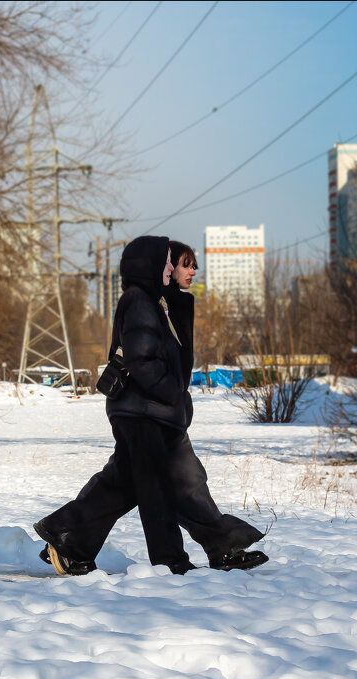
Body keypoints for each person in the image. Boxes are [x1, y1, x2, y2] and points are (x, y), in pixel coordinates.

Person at [33, 235, 268, 575]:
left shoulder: (159, 304)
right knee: (159, 488)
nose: (179, 269)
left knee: (164, 483)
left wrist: (176, 397)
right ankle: (173, 561)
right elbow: (145, 361)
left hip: (156, 413)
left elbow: (174, 359)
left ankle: (69, 536)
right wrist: (173, 392)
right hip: (143, 413)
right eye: (174, 263)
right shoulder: (139, 301)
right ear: (152, 265)